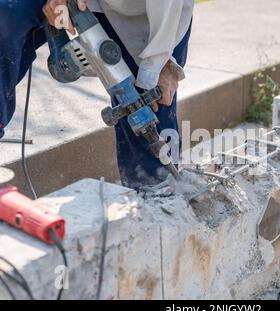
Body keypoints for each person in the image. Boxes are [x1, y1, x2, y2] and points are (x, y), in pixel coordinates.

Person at [0, 0, 194, 189]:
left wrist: (160, 64)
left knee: (146, 107)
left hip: (154, 14)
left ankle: (158, 196)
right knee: (8, 14)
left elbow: (169, 10)